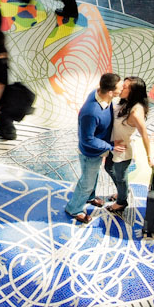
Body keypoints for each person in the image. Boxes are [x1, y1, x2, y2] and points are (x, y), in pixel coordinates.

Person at [64, 73, 124, 224]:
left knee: (93, 175)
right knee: (87, 182)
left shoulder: (101, 94)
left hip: (98, 150)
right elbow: (87, 139)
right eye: (120, 87)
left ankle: (90, 197)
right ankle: (74, 209)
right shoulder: (91, 113)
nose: (123, 88)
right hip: (90, 153)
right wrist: (110, 146)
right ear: (111, 92)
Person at [104, 77, 154, 214]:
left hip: (122, 150)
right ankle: (123, 191)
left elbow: (144, 134)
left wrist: (149, 157)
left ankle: (121, 202)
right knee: (108, 168)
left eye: (125, 87)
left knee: (120, 176)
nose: (121, 88)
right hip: (113, 145)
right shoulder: (124, 102)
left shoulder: (135, 112)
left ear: (133, 92)